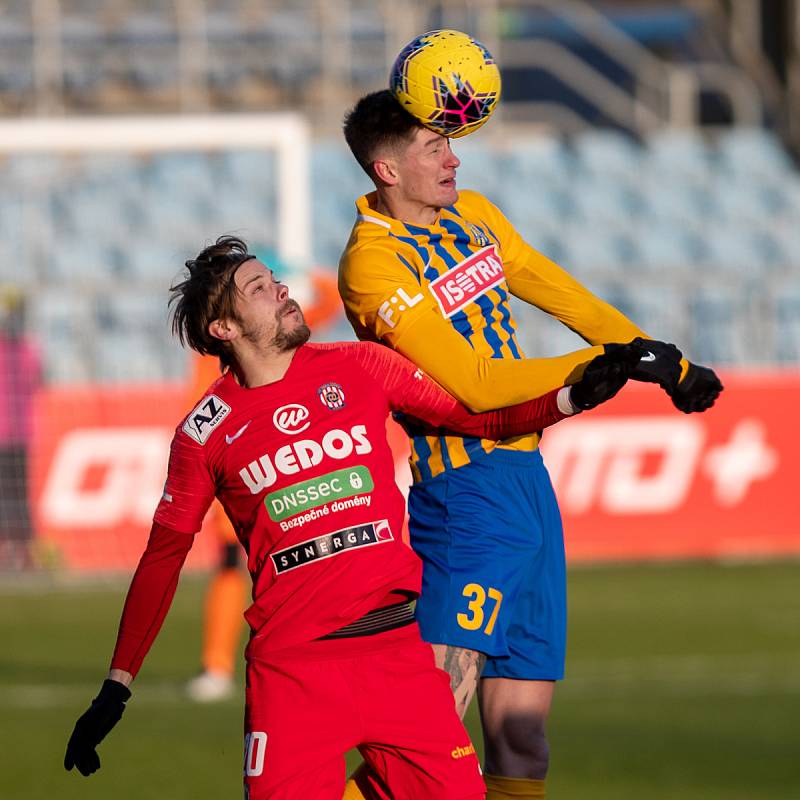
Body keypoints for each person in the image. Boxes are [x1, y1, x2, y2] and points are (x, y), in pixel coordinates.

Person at [63, 236, 650, 800]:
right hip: (294, 677)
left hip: (397, 656)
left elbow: (472, 421)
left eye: (275, 279)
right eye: (260, 288)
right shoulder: (203, 433)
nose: (284, 291)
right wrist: (117, 687)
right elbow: (163, 558)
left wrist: (570, 398)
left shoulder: (362, 365)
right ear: (224, 328)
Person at [338, 90, 723, 800]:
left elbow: (558, 290)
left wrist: (657, 359)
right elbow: (475, 382)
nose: (454, 157)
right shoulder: (373, 265)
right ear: (388, 169)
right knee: (430, 732)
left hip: (528, 488)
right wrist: (597, 372)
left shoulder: (474, 216)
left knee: (523, 739)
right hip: (465, 494)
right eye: (434, 147)